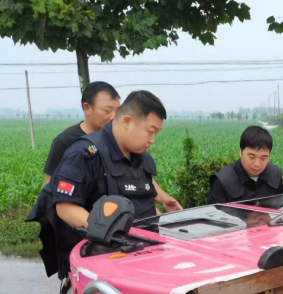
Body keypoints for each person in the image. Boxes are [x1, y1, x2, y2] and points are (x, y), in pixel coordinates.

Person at [27, 90, 182, 280]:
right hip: (99, 264)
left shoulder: (142, 158)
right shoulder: (84, 154)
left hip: (143, 261)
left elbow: (142, 202)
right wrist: (112, 235)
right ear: (127, 121)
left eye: (156, 133)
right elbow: (65, 207)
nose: (152, 140)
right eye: (150, 132)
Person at [43, 81, 121, 184]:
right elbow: (50, 182)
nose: (114, 117)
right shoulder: (65, 141)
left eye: (118, 111)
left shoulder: (119, 138)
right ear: (87, 108)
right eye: (107, 111)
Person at [208, 126, 283, 204]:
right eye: (251, 156)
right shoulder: (223, 180)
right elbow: (215, 211)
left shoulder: (275, 174)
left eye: (263, 158)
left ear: (269, 155)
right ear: (241, 152)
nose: (257, 164)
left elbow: (280, 206)